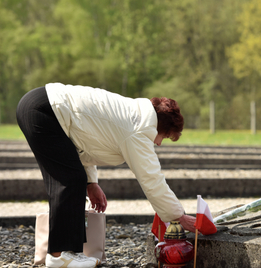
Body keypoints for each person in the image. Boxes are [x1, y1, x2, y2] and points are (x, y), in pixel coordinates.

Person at [16, 83, 196, 268]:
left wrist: (91, 183)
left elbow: (84, 144)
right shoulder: (139, 128)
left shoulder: (132, 115)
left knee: (73, 177)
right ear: (160, 126)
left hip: (39, 105)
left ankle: (63, 253)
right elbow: (152, 179)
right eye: (164, 137)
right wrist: (179, 216)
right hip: (45, 110)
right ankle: (60, 256)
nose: (159, 144)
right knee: (69, 180)